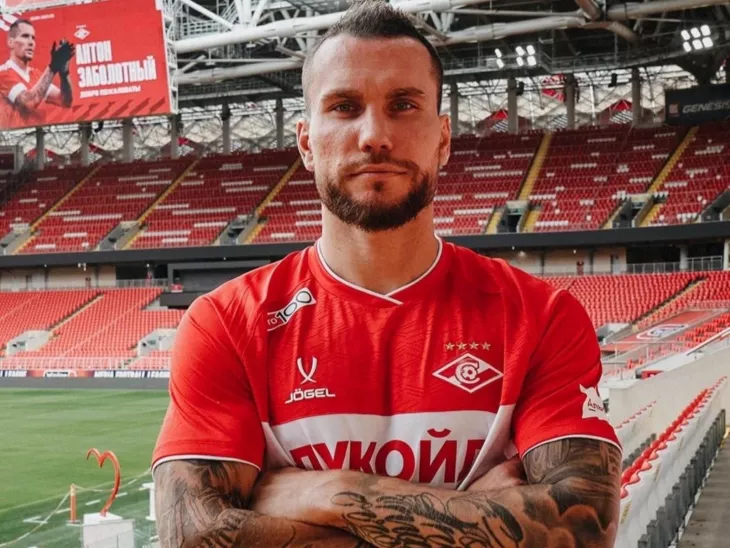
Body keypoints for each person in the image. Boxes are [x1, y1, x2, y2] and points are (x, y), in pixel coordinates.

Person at [151, 1, 623, 546]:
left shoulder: (542, 318)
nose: (374, 135)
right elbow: (193, 536)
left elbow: (583, 527)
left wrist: (330, 493)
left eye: (403, 105)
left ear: (443, 139)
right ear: (306, 143)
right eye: (345, 107)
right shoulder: (227, 323)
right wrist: (478, 514)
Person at [0, 19, 74, 128]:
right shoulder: (3, 73)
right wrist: (53, 67)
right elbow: (28, 102)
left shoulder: (36, 75)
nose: (31, 42)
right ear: (11, 42)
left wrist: (64, 73)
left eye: (33, 38)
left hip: (39, 136)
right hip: (15, 137)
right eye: (25, 36)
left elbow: (65, 101)